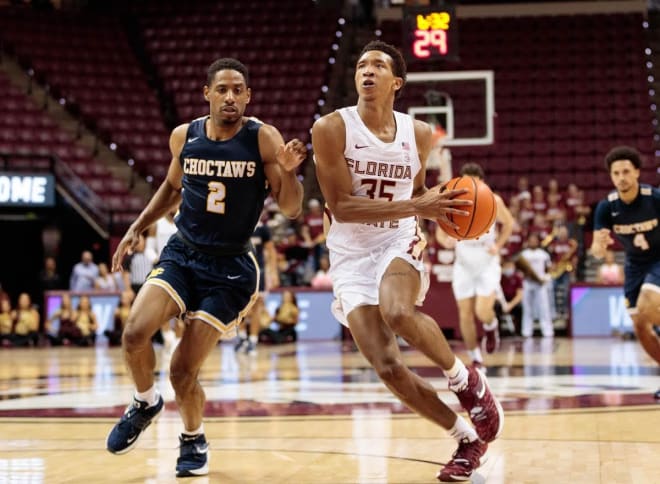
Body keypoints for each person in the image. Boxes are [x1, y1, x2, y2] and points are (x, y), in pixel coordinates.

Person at [105, 57, 306, 478]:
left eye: (238, 90)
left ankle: (194, 439)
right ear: (207, 94)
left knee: (182, 369)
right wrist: (137, 228)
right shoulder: (185, 136)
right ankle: (145, 401)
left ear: (248, 96)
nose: (230, 97)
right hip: (183, 253)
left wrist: (288, 175)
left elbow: (291, 208)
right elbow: (172, 187)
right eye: (222, 89)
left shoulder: (263, 139)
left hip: (230, 268)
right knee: (134, 333)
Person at [312, 40, 502, 482]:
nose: (367, 71)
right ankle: (465, 439)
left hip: (398, 239)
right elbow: (342, 207)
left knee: (398, 311)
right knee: (388, 367)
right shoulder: (330, 128)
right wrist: (418, 206)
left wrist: (430, 208)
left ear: (396, 82)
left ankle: (465, 381)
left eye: (378, 65)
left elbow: (416, 196)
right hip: (350, 251)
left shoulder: (418, 133)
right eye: (361, 65)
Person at [589, 146, 660, 400]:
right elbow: (597, 248)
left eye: (626, 172)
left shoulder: (654, 197)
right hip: (634, 266)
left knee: (647, 304)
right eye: (616, 173)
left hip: (658, 260)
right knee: (640, 325)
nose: (621, 177)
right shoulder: (606, 207)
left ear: (638, 173)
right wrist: (599, 246)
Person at [435, 162, 514, 368]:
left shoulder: (493, 200)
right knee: (465, 313)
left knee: (482, 310)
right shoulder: (452, 201)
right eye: (466, 181)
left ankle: (491, 324)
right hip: (463, 261)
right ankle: (475, 358)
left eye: (474, 181)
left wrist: (499, 244)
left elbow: (509, 223)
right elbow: (440, 233)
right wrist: (446, 241)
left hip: (486, 260)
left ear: (482, 182)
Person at [520, 233, 553, 338]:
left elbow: (549, 268)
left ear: (538, 242)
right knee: (527, 308)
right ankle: (526, 331)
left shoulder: (543, 254)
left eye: (535, 240)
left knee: (544, 308)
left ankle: (547, 331)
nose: (533, 242)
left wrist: (546, 277)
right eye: (531, 240)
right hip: (528, 283)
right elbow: (520, 269)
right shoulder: (524, 254)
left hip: (540, 283)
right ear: (528, 242)